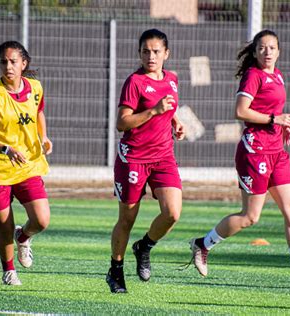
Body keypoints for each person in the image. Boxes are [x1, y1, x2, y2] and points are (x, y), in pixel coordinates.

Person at [188, 30, 290, 283]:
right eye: (262, 48)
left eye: (272, 47)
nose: (267, 52)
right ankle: (202, 244)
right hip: (255, 152)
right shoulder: (253, 75)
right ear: (254, 52)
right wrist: (275, 119)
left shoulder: (279, 75)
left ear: (279, 51)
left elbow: (270, 108)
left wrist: (281, 125)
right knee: (250, 217)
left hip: (276, 152)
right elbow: (240, 111)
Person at [105, 29, 186, 294]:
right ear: (139, 53)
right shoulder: (135, 82)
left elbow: (168, 108)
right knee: (127, 219)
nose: (150, 56)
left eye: (156, 51)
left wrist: (175, 121)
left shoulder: (172, 79)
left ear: (166, 53)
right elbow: (121, 122)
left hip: (163, 156)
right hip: (134, 159)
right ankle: (116, 270)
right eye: (145, 51)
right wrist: (153, 111)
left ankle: (144, 246)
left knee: (172, 213)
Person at [0, 41, 53, 286]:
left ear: (23, 64)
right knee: (4, 226)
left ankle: (24, 236)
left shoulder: (35, 87)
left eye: (13, 61)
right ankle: (8, 271)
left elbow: (38, 111)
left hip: (26, 164)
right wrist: (6, 149)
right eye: (3, 62)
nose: (8, 66)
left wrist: (44, 136)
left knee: (41, 220)